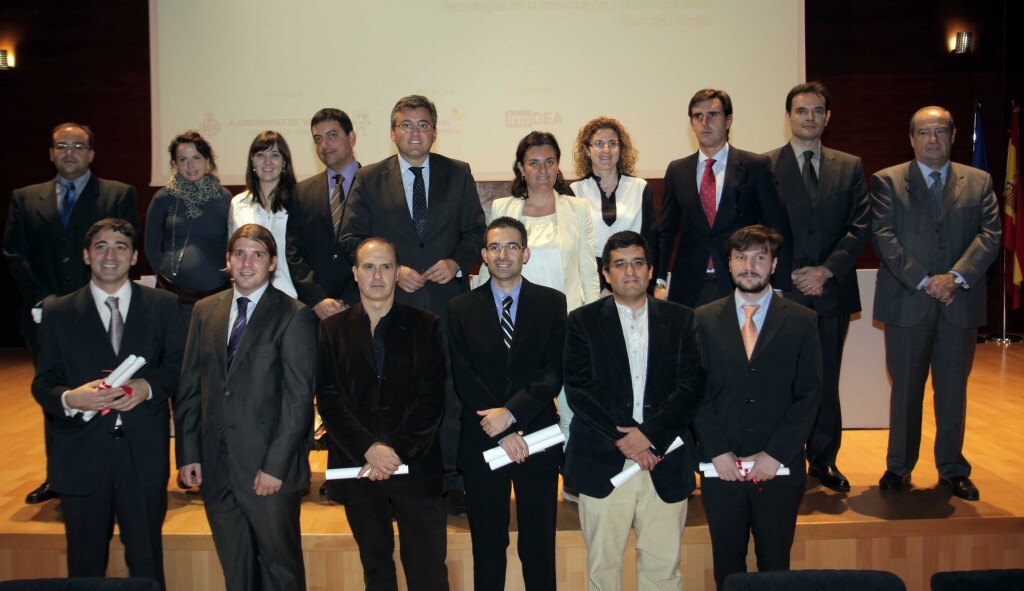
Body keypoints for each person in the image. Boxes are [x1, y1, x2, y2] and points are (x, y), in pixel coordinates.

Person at [340, 94, 486, 515]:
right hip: (392, 305)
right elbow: (351, 238)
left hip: (446, 303)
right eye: (406, 125)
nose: (414, 132)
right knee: (398, 394)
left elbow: (475, 231)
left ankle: (453, 480)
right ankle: (396, 477)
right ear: (392, 132)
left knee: (450, 394)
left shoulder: (458, 173)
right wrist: (394, 267)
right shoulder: (369, 177)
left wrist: (456, 262)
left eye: (423, 125)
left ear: (435, 132)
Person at [31, 218, 185, 589]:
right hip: (80, 457)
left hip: (142, 455)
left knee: (147, 562)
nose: (110, 255)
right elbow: (43, 383)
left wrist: (147, 387)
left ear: (133, 257)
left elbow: (179, 366)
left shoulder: (164, 305)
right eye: (100, 246)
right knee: (84, 565)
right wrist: (71, 398)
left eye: (120, 247)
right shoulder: (58, 311)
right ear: (86, 255)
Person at [4, 122, 140, 505]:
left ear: (91, 154)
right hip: (44, 315)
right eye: (61, 146)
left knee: (104, 390)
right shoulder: (24, 198)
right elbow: (13, 252)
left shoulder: (117, 194)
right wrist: (46, 299)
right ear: (51, 153)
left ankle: (108, 473)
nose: (69, 152)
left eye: (78, 146)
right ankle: (59, 477)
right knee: (57, 396)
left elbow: (123, 248)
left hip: (102, 312)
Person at [176, 224, 317, 591]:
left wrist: (275, 467)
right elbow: (190, 387)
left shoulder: (294, 314)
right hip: (216, 466)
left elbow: (298, 399)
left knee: (280, 572)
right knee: (236, 572)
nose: (247, 262)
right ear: (228, 260)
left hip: (268, 470)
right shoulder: (205, 311)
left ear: (271, 263)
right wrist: (189, 454)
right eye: (239, 253)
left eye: (257, 255)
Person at [871, 106, 1001, 501]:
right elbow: (884, 236)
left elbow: (990, 235)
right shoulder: (887, 181)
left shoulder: (978, 181)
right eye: (924, 132)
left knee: (952, 390)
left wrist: (955, 277)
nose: (933, 139)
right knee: (905, 391)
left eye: (940, 131)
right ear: (911, 138)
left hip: (959, 303)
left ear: (953, 135)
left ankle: (953, 469)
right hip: (908, 300)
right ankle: (899, 467)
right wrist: (926, 280)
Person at [563, 231, 705, 591]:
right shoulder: (581, 321)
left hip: (665, 458)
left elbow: (691, 387)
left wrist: (650, 436)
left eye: (638, 263)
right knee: (602, 571)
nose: (630, 272)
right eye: (620, 264)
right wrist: (627, 438)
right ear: (606, 273)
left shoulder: (682, 319)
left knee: (663, 570)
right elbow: (579, 391)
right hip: (604, 458)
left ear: (650, 270)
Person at [694, 225, 822, 589]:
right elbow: (696, 392)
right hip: (722, 469)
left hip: (778, 469)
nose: (749, 266)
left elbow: (810, 394)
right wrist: (717, 450)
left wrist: (777, 453)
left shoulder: (801, 320)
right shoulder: (703, 318)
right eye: (741, 257)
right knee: (727, 568)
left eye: (759, 258)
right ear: (729, 263)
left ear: (774, 264)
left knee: (776, 567)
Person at [318, 238, 450, 591]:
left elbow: (432, 398)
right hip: (358, 467)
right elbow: (328, 399)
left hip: (416, 467)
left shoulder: (426, 325)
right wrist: (369, 449)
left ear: (396, 273)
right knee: (376, 573)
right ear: (355, 273)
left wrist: (394, 451)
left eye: (386, 267)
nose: (377, 275)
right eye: (369, 267)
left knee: (428, 575)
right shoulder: (331, 329)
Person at [448, 217, 567, 591]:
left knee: (539, 546)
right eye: (495, 247)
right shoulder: (460, 307)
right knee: (487, 546)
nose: (503, 254)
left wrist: (512, 415)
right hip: (483, 440)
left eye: (512, 246)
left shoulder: (552, 303)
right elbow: (463, 374)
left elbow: (553, 371)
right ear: (484, 255)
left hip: (537, 438)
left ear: (525, 254)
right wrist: (500, 430)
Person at [764, 82, 870, 493]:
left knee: (825, 380)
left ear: (828, 117)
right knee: (781, 381)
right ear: (788, 116)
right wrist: (786, 272)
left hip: (831, 291)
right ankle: (783, 456)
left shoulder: (850, 165)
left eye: (817, 110)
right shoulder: (765, 165)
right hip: (782, 292)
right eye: (801, 110)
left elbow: (860, 226)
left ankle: (824, 460)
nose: (809, 117)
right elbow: (759, 227)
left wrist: (826, 271)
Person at [481, 131, 600, 471]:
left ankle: (575, 478)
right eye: (533, 163)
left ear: (558, 166)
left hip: (568, 321)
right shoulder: (502, 208)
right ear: (521, 168)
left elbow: (588, 271)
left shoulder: (577, 208)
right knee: (524, 402)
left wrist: (593, 324)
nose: (543, 170)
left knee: (573, 405)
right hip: (518, 324)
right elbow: (494, 265)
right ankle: (529, 474)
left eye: (550, 162)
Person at [656, 88, 793, 308]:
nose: (705, 122)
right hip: (688, 286)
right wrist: (660, 279)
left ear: (728, 120)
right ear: (691, 123)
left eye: (713, 115)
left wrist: (778, 285)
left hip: (741, 282)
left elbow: (777, 227)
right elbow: (666, 231)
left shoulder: (755, 166)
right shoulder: (677, 170)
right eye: (698, 116)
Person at [145, 130, 231, 326]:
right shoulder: (163, 198)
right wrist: (165, 277)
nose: (190, 166)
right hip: (173, 298)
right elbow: (151, 245)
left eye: (196, 158)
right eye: (183, 159)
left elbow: (230, 244)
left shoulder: (224, 197)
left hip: (217, 297)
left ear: (207, 160)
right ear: (174, 164)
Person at [287, 108, 362, 318]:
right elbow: (294, 253)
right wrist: (317, 299)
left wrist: (351, 300)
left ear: (351, 138)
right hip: (318, 311)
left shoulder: (375, 185)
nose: (324, 145)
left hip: (365, 305)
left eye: (332, 136)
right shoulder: (302, 192)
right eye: (317, 139)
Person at [571, 116, 658, 294]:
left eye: (612, 143)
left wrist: (649, 283)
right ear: (587, 150)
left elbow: (652, 242)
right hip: (591, 285)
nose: (606, 150)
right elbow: (575, 248)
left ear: (620, 149)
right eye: (599, 144)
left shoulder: (640, 188)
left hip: (634, 278)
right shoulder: (574, 191)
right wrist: (602, 289)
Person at [228, 130, 298, 298]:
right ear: (252, 160)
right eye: (260, 155)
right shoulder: (238, 204)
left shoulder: (300, 203)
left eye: (275, 155)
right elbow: (234, 256)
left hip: (292, 297)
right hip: (249, 297)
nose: (267, 162)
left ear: (284, 162)